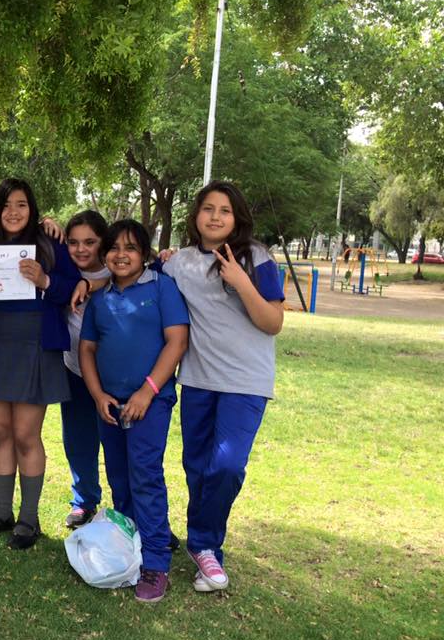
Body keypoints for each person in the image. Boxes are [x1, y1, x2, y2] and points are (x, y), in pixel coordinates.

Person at [161, 181, 284, 593]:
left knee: (227, 466)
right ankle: (206, 548)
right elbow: (136, 273)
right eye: (208, 208)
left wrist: (241, 281)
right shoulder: (179, 262)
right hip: (197, 379)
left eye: (225, 210)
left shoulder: (257, 257)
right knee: (196, 467)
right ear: (196, 215)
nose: (215, 217)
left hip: (246, 382)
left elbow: (273, 322)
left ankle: (203, 543)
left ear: (237, 218)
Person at [0, 179, 81, 549]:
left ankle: (29, 519)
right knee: (1, 433)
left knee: (26, 435)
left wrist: (44, 279)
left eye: (21, 204)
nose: (13, 212)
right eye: (6, 205)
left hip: (35, 346)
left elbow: (72, 288)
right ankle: (1, 513)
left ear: (32, 208)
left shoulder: (49, 243)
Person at [79, 219, 189, 602]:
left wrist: (147, 392)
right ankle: (132, 547)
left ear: (144, 254)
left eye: (130, 248)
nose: (121, 255)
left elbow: (177, 342)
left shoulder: (162, 288)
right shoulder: (100, 298)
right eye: (113, 248)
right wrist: (97, 394)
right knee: (120, 479)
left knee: (144, 476)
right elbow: (87, 349)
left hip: (150, 403)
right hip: (110, 405)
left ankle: (156, 563)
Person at [58, 210, 111, 528]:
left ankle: (134, 508)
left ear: (103, 242)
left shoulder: (117, 268)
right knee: (78, 440)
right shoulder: (63, 271)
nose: (81, 249)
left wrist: (90, 283)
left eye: (89, 242)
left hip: (115, 374)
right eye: (73, 242)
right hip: (74, 368)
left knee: (121, 445)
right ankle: (84, 501)